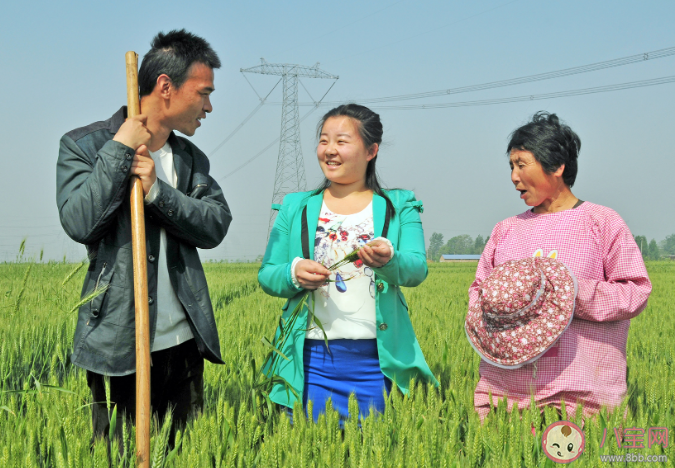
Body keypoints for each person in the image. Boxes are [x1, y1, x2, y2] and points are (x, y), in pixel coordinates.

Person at [56, 29, 232, 444]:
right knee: (117, 453)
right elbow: (80, 222)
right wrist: (119, 150)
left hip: (183, 345)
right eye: (203, 92)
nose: (209, 106)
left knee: (184, 450)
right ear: (166, 87)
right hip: (118, 344)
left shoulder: (190, 160)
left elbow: (215, 225)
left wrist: (157, 192)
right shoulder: (84, 145)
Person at [258, 104, 438, 423]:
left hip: (377, 363)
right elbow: (268, 275)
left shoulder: (399, 205)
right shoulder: (294, 207)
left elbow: (416, 269)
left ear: (371, 150)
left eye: (341, 141)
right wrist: (293, 273)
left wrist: (389, 260)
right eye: (324, 140)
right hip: (307, 363)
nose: (329, 150)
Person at [466, 111, 651, 419]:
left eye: (521, 164)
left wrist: (568, 293)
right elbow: (478, 292)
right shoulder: (505, 230)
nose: (513, 176)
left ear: (556, 166)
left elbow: (635, 291)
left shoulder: (601, 222)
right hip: (508, 396)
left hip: (583, 395)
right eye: (511, 166)